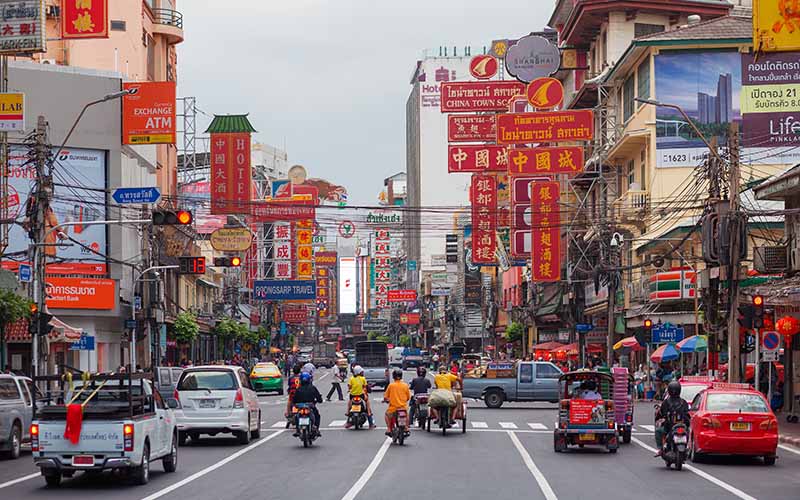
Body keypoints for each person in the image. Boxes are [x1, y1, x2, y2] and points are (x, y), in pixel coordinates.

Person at [654, 380, 690, 457]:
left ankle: (660, 449)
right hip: (682, 426)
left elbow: (661, 413)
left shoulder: (666, 402)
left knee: (658, 431)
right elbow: (687, 414)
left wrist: (659, 418)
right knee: (688, 431)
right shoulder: (683, 402)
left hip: (669, 426)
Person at [291, 372, 322, 437]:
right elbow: (319, 398)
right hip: (310, 405)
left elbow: (294, 400)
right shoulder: (312, 388)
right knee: (317, 415)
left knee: (297, 416)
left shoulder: (298, 389)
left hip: (300, 406)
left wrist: (295, 404)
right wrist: (319, 400)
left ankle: (297, 429)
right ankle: (316, 428)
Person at [383, 369, 411, 437]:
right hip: (403, 407)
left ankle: (389, 429)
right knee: (406, 415)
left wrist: (386, 400)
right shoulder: (405, 385)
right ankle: (406, 427)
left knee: (387, 415)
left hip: (393, 408)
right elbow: (408, 397)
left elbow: (386, 397)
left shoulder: (391, 385)